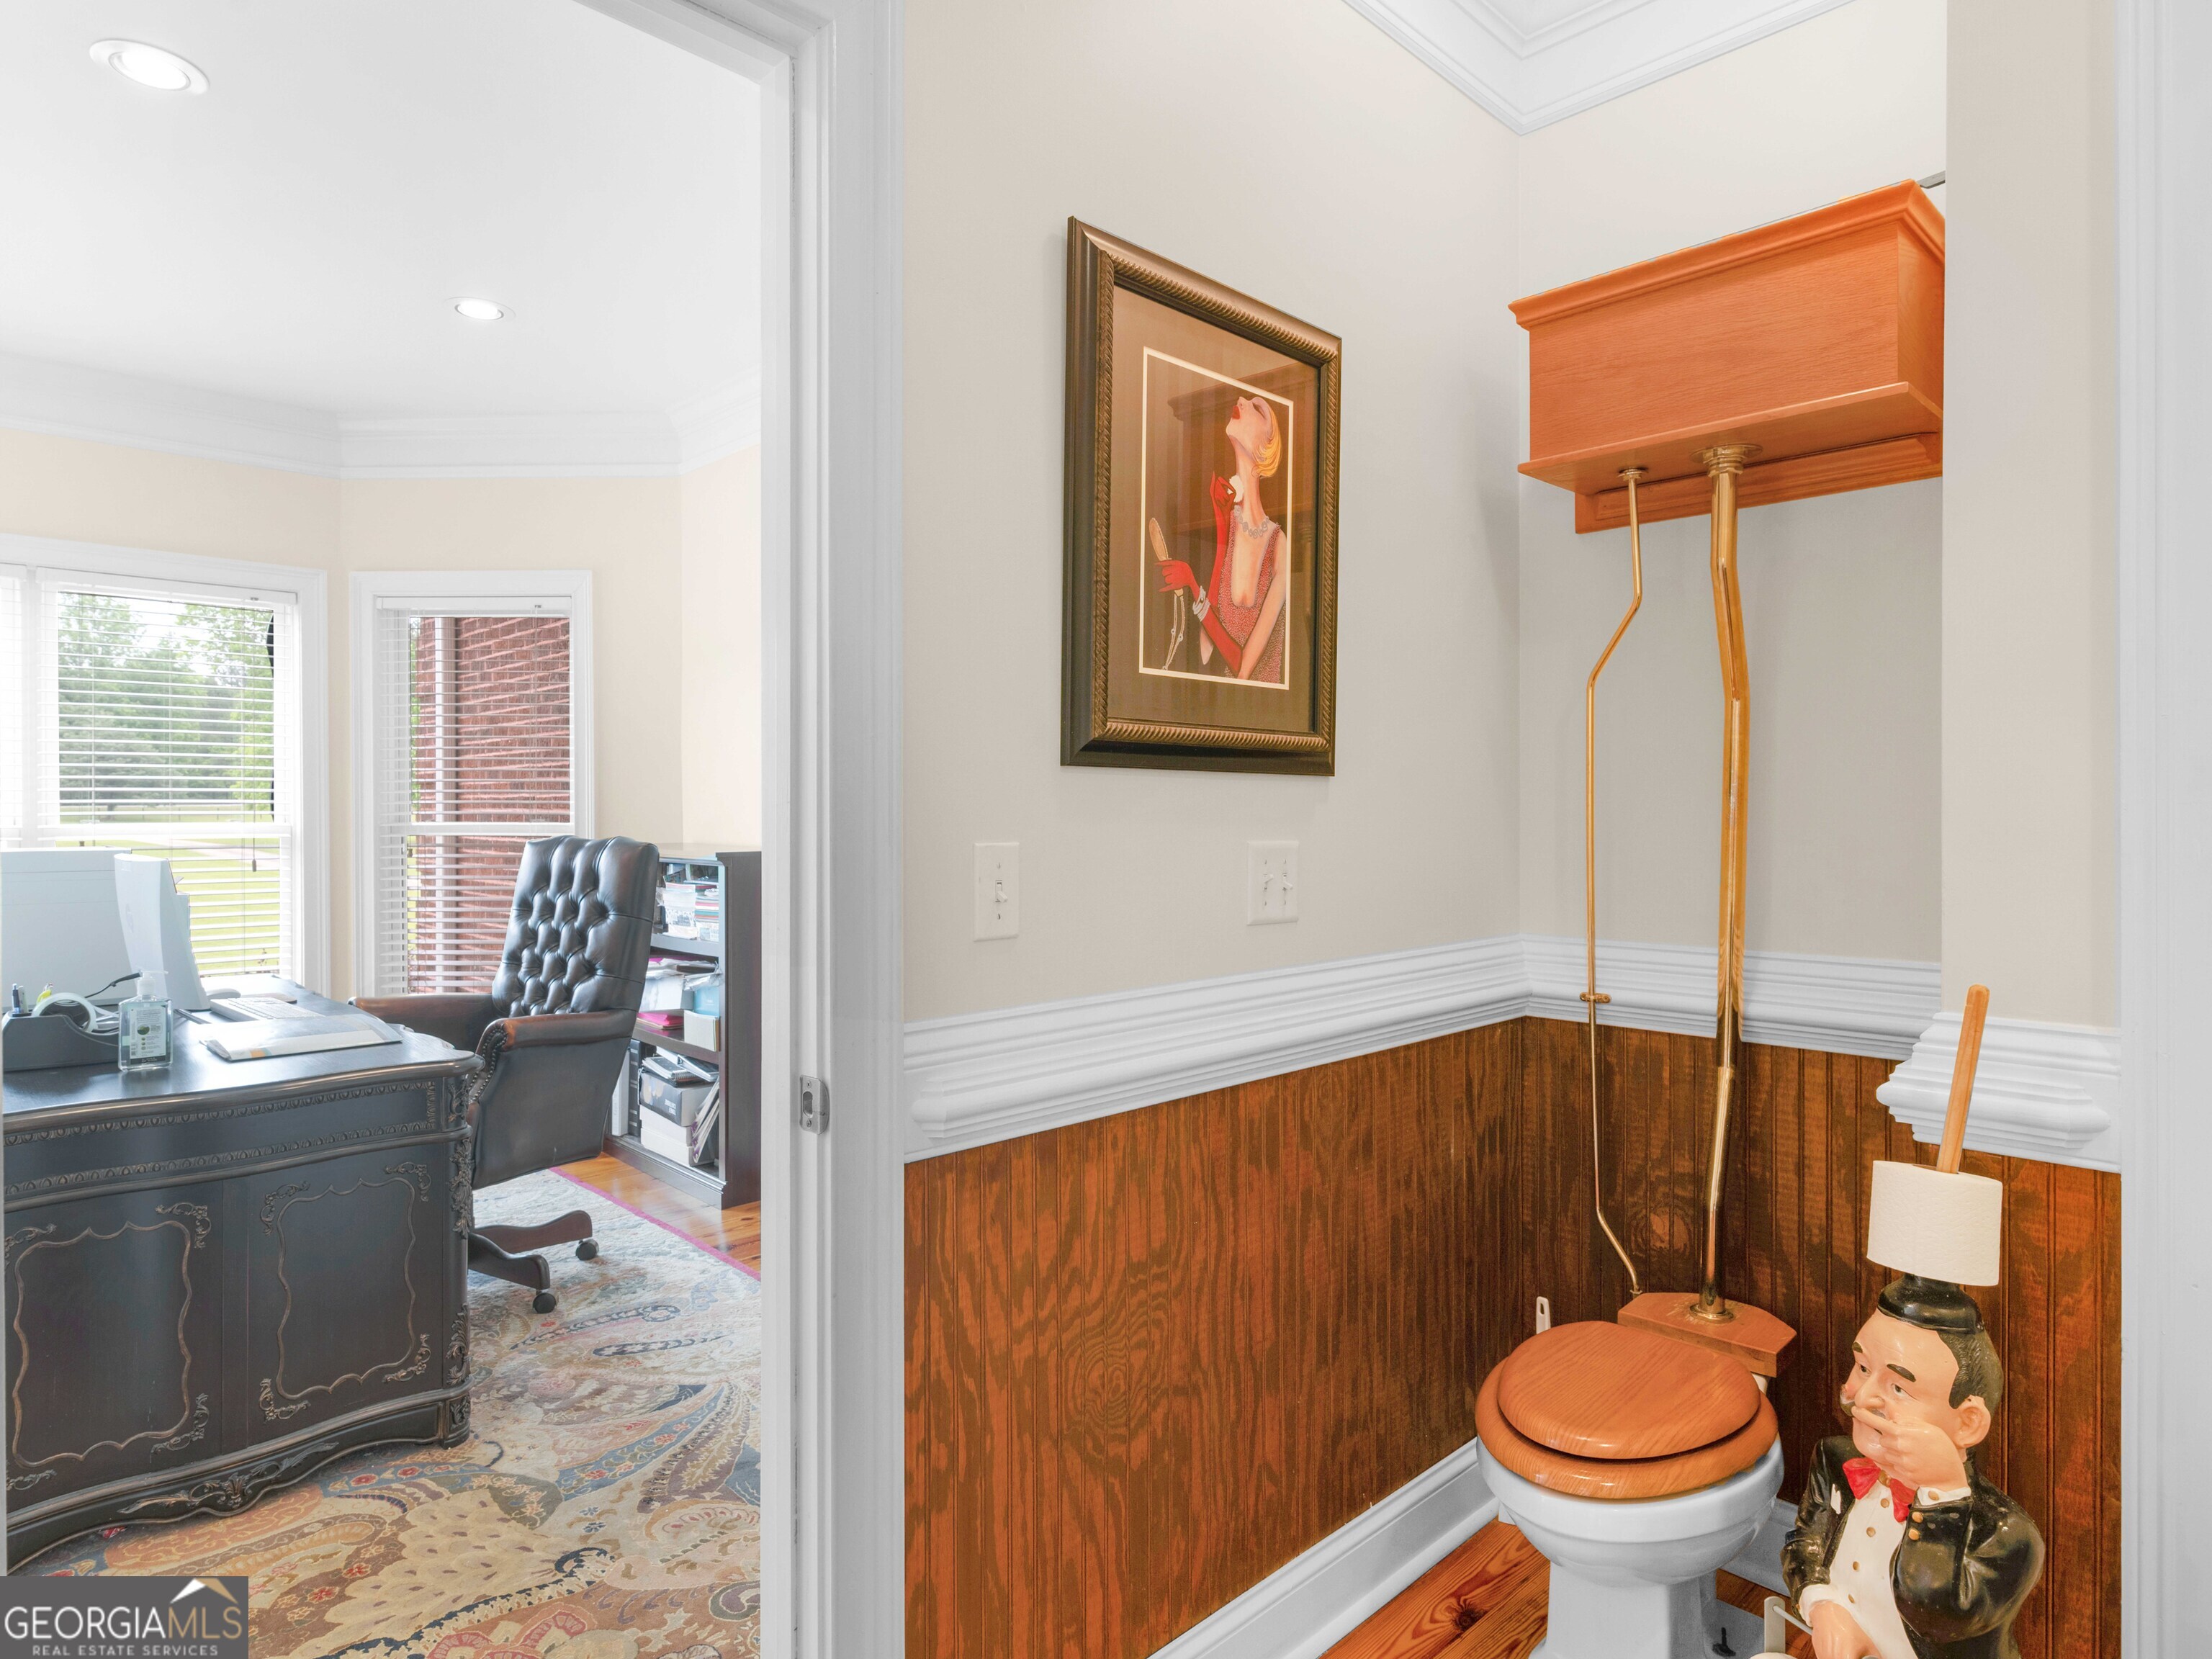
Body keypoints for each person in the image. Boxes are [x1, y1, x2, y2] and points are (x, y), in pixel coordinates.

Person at [1783, 1276, 2044, 1659]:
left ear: (1968, 1423)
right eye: (1862, 1367)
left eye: (1899, 1388)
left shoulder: (2008, 1539)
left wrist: (1942, 1490)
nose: (1865, 1398)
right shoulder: (1833, 1460)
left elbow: (1934, 1615)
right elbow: (1804, 1545)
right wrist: (1822, 1605)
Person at [1150, 392, 1287, 684]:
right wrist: (1223, 530)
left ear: (1266, 447)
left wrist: (1191, 584)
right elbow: (1205, 651)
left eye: (1257, 409)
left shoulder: (1279, 545)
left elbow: (1242, 669)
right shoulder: (1226, 522)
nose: (1240, 400)